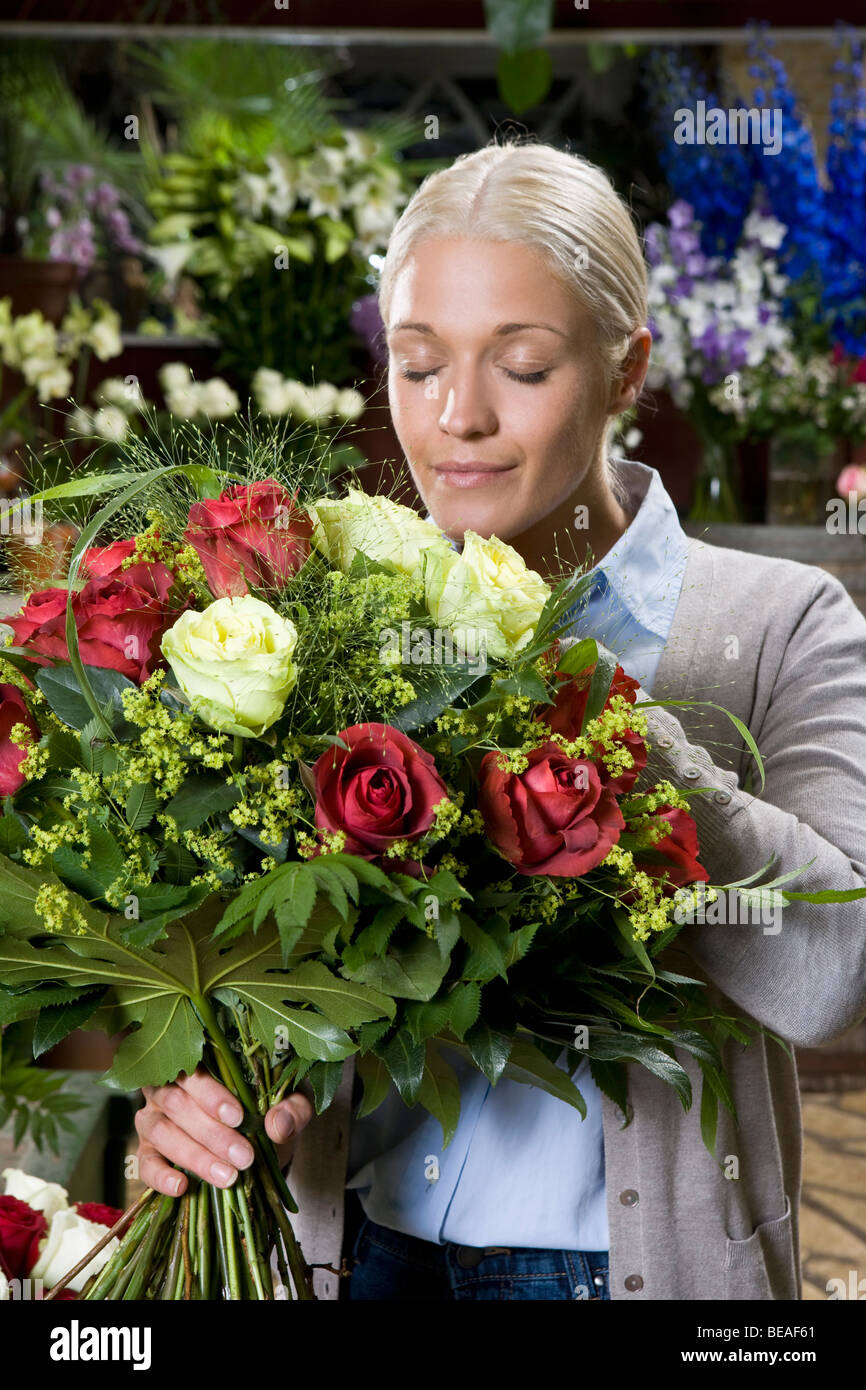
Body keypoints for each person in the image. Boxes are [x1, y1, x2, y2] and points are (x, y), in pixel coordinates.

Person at [134, 138, 866, 1302]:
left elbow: (836, 979)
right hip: (354, 1259)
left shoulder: (780, 623)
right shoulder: (318, 617)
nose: (456, 417)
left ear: (626, 370)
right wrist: (192, 1099)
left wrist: (610, 728)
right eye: (417, 365)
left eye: (521, 364)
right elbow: (250, 963)